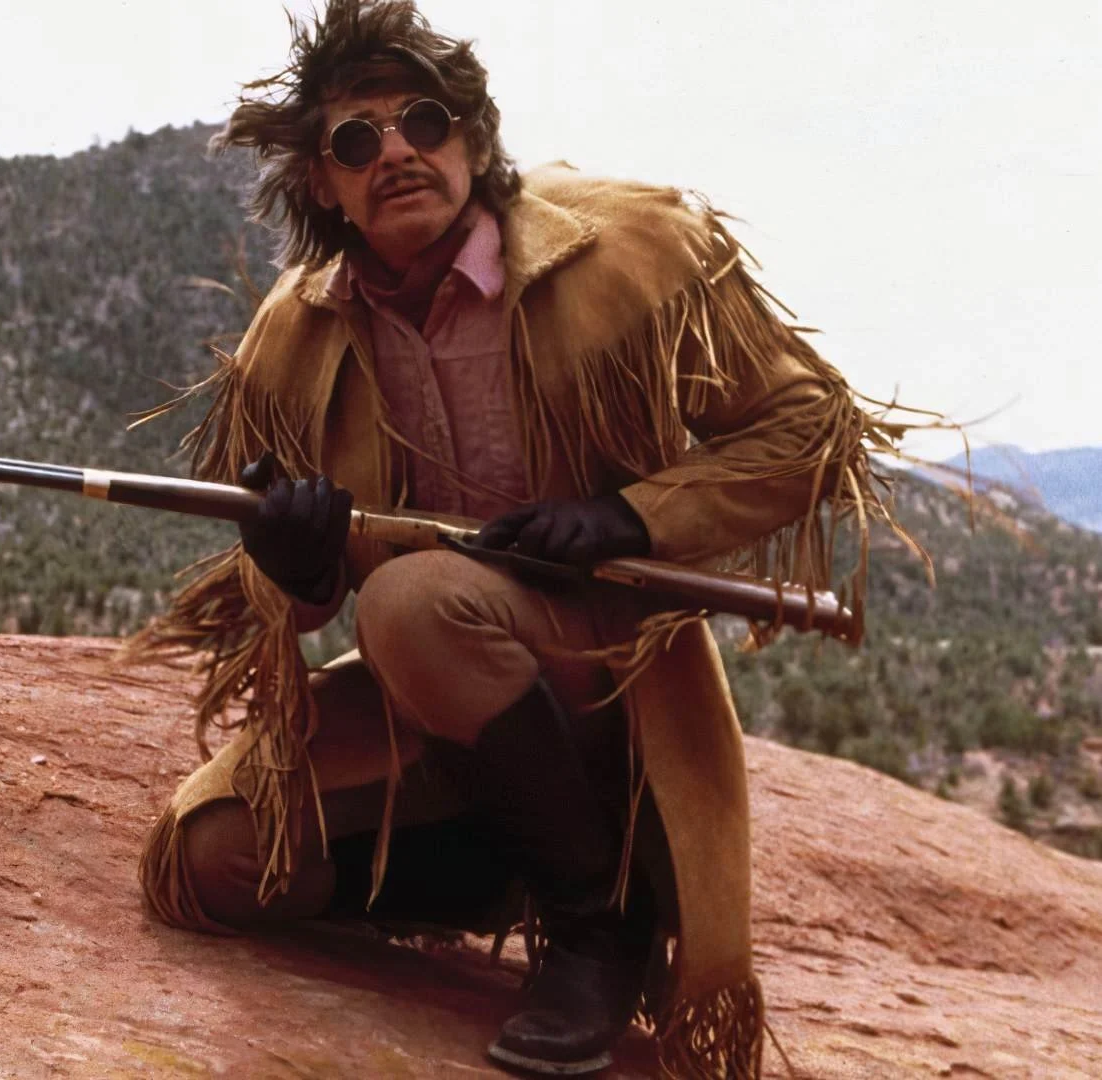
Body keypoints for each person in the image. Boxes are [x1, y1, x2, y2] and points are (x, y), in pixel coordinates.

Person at [124, 1, 919, 1075]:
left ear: (474, 135)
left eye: (424, 121)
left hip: (610, 679)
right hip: (445, 704)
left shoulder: (633, 249)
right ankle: (516, 863)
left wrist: (630, 516)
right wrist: (294, 566)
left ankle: (598, 925)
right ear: (321, 182)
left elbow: (807, 427)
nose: (395, 152)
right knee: (213, 860)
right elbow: (294, 603)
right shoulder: (293, 338)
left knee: (413, 602)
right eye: (356, 140)